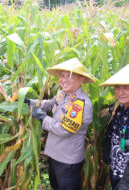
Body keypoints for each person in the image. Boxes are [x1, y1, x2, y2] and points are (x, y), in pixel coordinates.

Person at [24, 58, 96, 190]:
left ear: (81, 80)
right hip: (54, 154)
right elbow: (48, 104)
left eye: (69, 76)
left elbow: (64, 130)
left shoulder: (80, 104)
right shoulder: (62, 94)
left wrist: (43, 118)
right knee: (55, 186)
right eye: (62, 76)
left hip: (68, 159)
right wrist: (29, 102)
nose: (63, 79)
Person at [101, 64, 129, 190]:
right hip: (116, 167)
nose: (120, 92)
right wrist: (106, 150)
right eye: (117, 87)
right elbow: (111, 131)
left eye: (126, 88)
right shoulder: (115, 108)